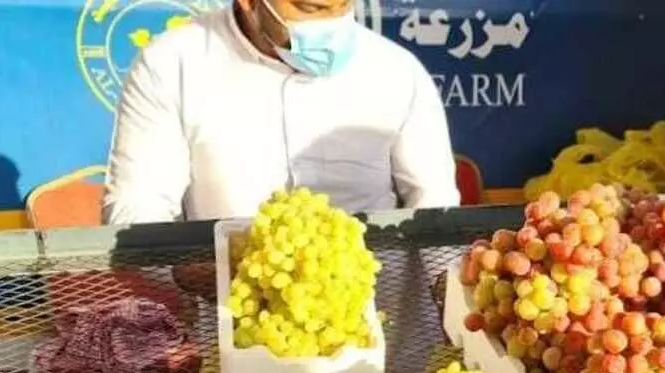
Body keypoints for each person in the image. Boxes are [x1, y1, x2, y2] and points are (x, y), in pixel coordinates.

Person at [103, 0, 459, 224]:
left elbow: (434, 203)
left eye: (343, 7)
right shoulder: (172, 63)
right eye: (311, 8)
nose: (332, 24)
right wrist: (200, 271)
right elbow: (136, 210)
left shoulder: (397, 70)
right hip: (230, 324)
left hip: (384, 325)